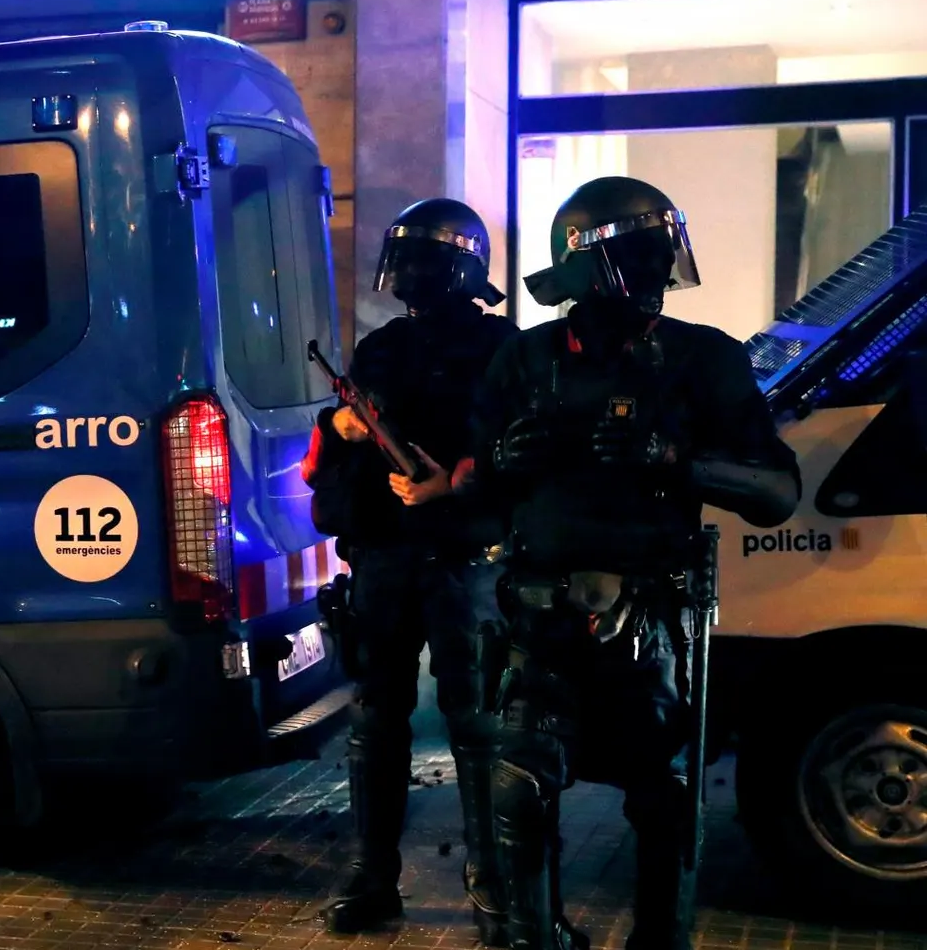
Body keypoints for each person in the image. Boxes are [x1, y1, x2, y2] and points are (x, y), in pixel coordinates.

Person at [460, 177, 800, 950]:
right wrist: (501, 465)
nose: (656, 271)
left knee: (665, 797)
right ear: (588, 263)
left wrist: (679, 462)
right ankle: (536, 935)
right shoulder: (524, 358)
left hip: (653, 623)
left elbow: (777, 489)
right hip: (540, 615)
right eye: (639, 254)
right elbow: (469, 503)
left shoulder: (700, 358)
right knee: (519, 785)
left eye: (660, 253)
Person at [304, 198, 518, 942]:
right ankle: (373, 876)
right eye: (409, 260)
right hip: (388, 561)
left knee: (479, 725)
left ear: (462, 267)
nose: (413, 275)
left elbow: (518, 447)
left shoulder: (502, 347)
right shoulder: (383, 347)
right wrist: (342, 424)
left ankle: (495, 881)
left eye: (428, 261)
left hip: (465, 561)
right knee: (376, 721)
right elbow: (331, 452)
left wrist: (452, 481)